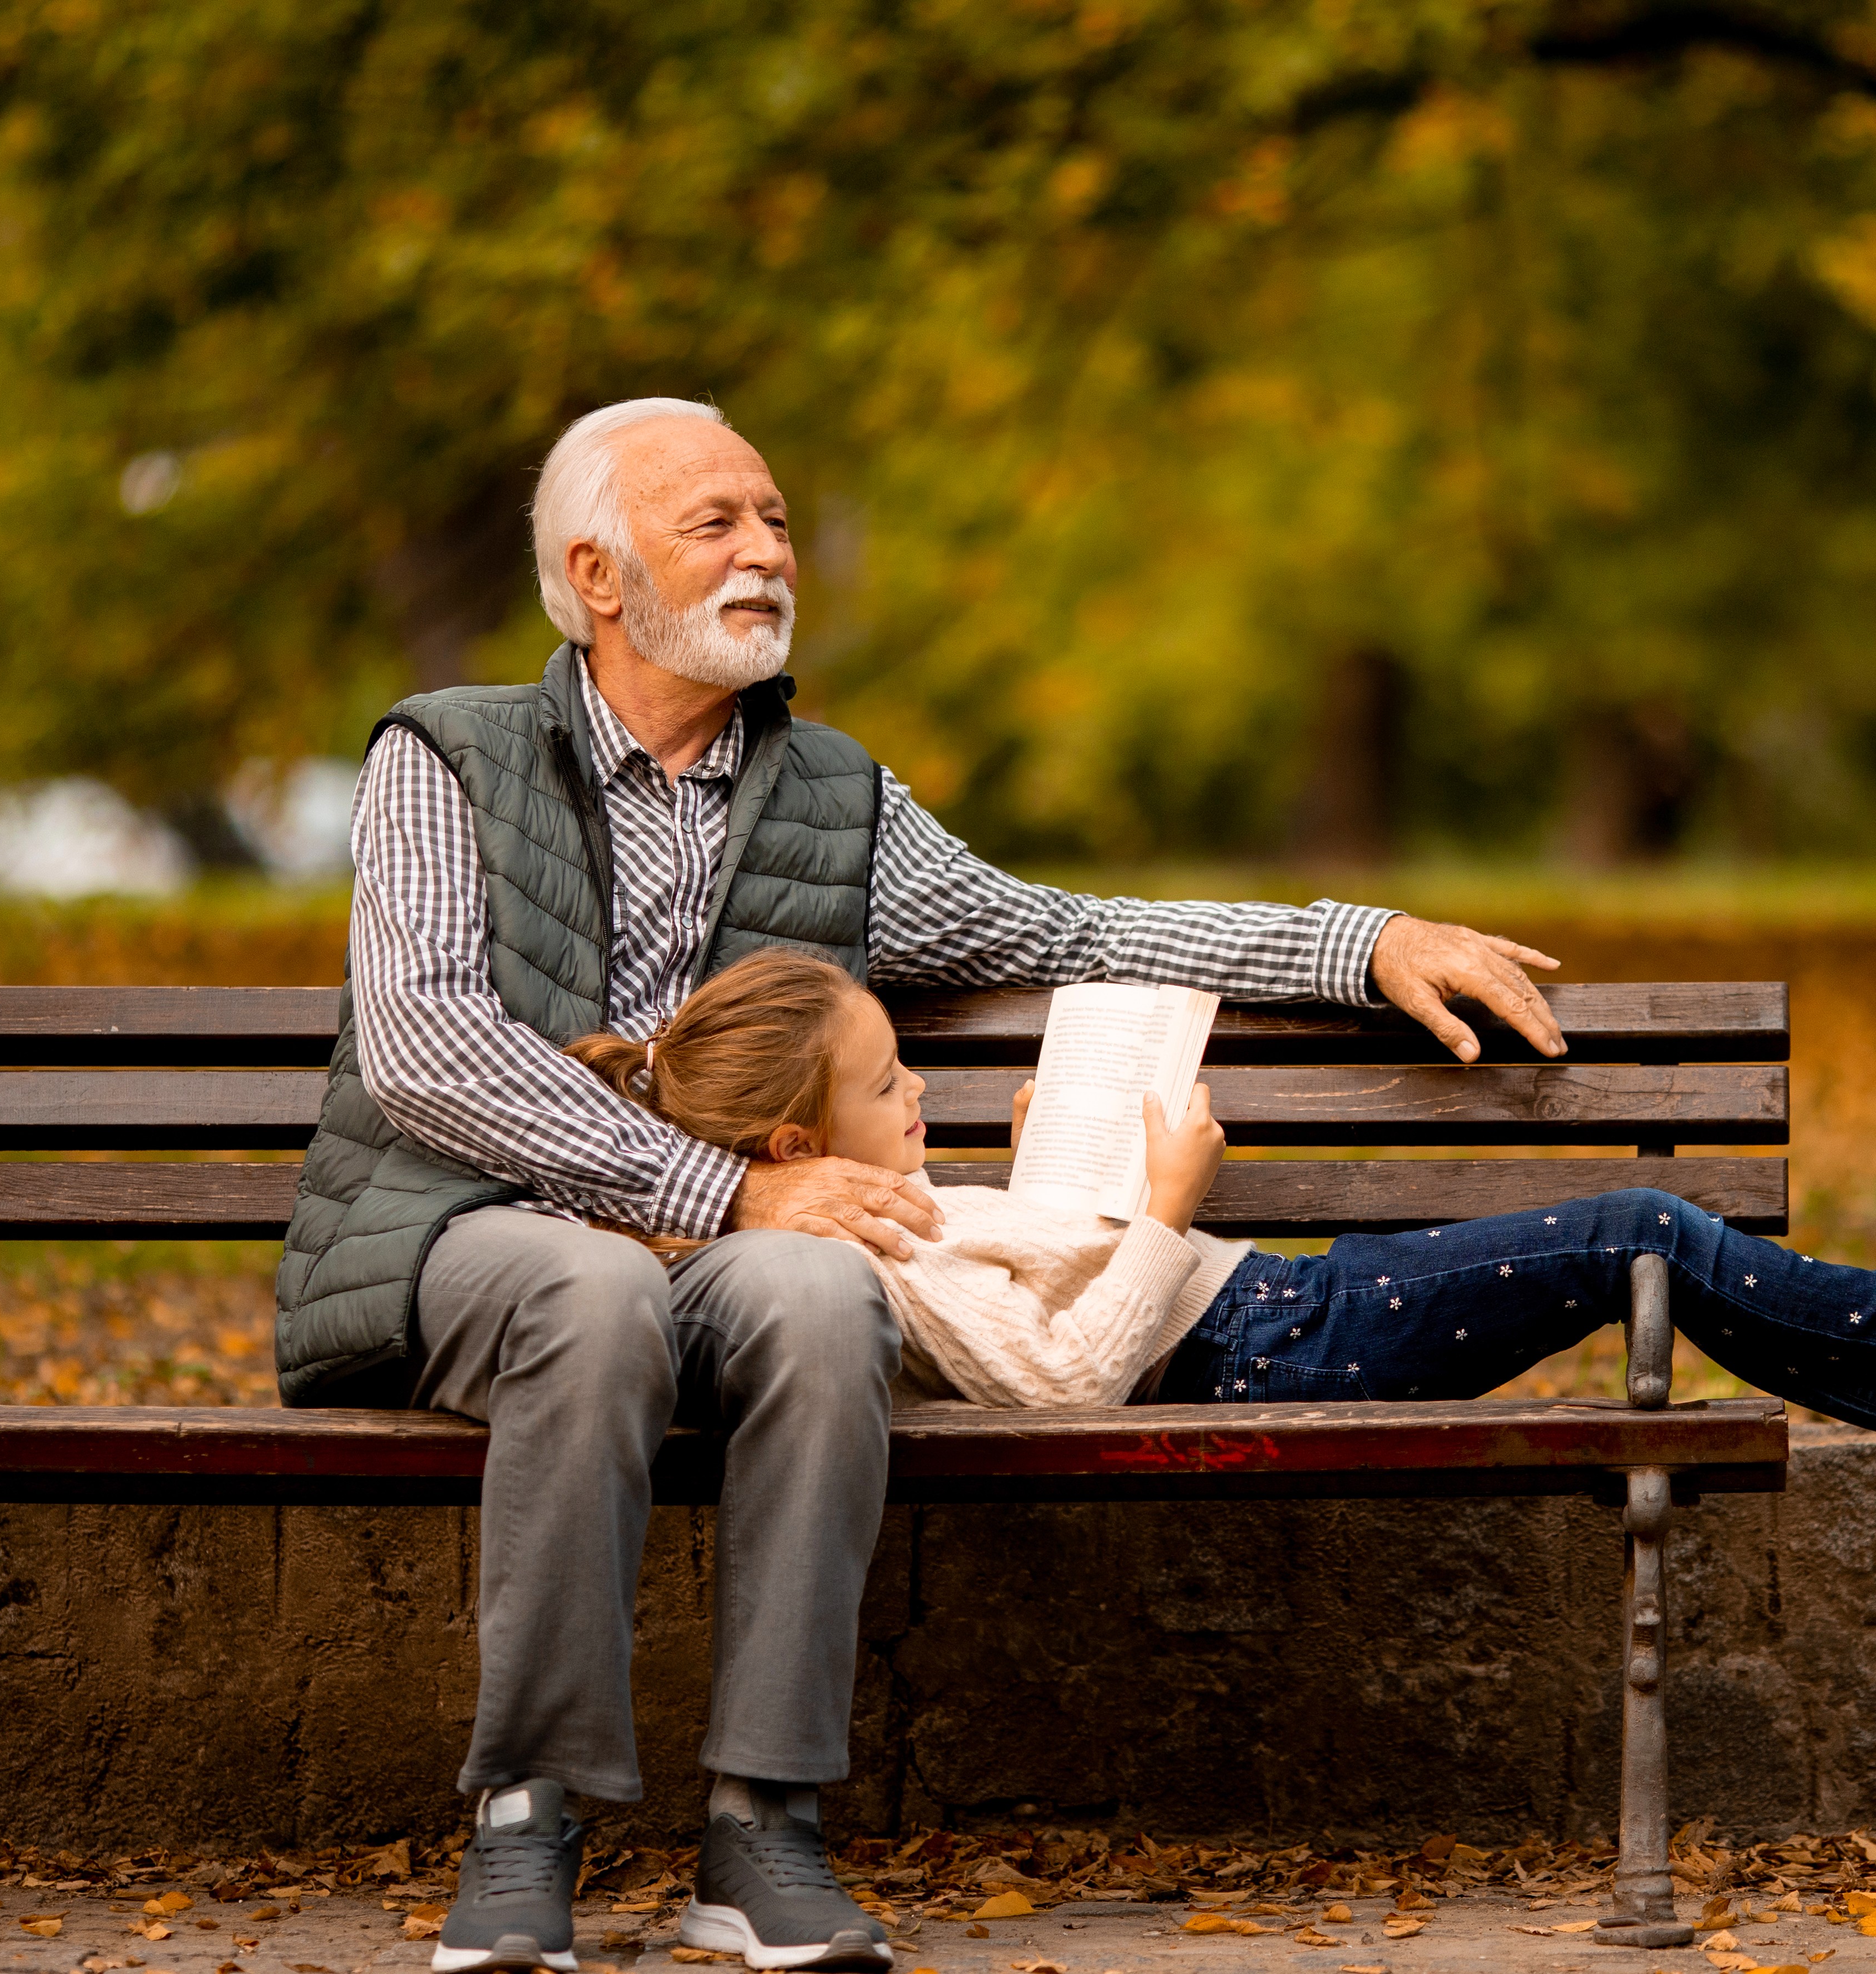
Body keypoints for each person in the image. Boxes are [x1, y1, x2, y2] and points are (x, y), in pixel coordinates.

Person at [278, 396, 1598, 1974]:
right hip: (465, 1232)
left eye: (774, 518)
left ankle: (762, 1825)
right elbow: (425, 1046)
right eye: (718, 525)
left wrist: (1353, 941)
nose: (768, 551)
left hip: (730, 1242)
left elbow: (1065, 933)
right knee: (598, 1279)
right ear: (600, 574)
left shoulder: (833, 800)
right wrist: (717, 1185)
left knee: (828, 1286)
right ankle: (526, 1818)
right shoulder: (444, 758)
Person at [569, 947, 1876, 1557]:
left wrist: (1054, 1183)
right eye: (885, 1084)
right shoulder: (849, 1266)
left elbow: (1036, 1302)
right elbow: (1063, 1378)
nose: (915, 1089)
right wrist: (1162, 1202)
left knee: (1637, 1238)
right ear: (786, 1148)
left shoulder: (869, 1217)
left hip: (1271, 1314)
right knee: (1636, 1228)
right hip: (1260, 1341)